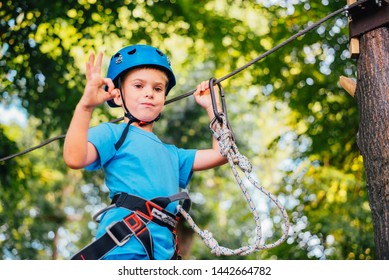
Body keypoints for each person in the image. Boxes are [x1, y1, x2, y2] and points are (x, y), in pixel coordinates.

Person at [63, 44, 227, 260]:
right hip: (124, 247)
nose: (149, 93)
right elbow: (75, 158)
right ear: (118, 96)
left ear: (164, 99)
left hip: (163, 253)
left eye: (158, 89)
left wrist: (213, 108)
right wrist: (85, 107)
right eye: (138, 86)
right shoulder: (113, 133)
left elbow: (222, 154)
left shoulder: (173, 155)